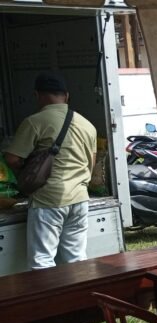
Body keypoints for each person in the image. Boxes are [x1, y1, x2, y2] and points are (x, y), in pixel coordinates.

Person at [3, 72, 96, 270]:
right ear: (67, 95)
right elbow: (91, 162)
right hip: (80, 199)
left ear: (37, 95)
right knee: (76, 259)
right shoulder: (87, 124)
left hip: (48, 200)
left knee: (42, 261)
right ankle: (81, 291)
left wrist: (28, 172)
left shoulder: (35, 122)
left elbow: (12, 158)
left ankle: (50, 293)